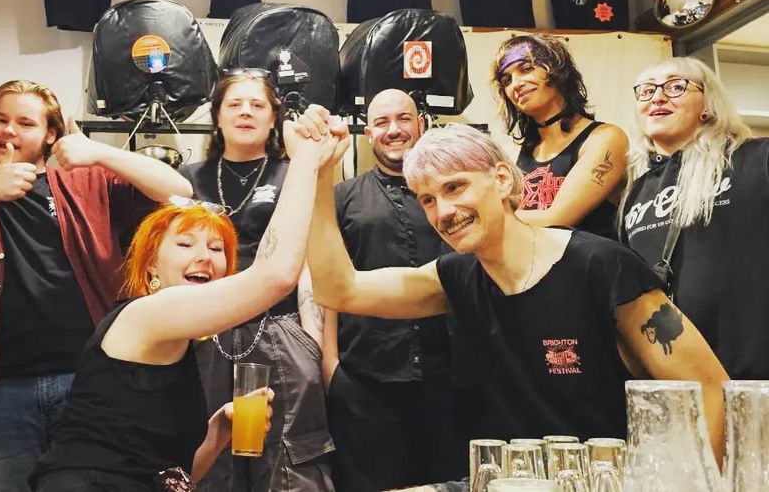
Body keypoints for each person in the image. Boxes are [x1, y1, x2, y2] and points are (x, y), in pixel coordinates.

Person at [298, 108, 729, 479]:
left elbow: (709, 390)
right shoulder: (455, 277)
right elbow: (339, 290)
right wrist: (319, 173)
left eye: (455, 187)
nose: (444, 212)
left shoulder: (600, 267)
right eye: (427, 200)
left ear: (503, 179)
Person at [31, 116, 342, 490]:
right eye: (184, 244)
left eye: (216, 248)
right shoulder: (146, 315)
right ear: (150, 267)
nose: (205, 257)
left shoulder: (181, 346)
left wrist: (217, 433)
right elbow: (274, 276)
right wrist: (305, 160)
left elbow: (177, 474)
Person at [0, 80, 194, 491]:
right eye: (0, 120)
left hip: (89, 382)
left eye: (25, 123)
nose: (9, 131)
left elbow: (179, 193)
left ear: (51, 134)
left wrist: (98, 152)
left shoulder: (88, 183)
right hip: (1, 388)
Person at [178, 70, 335, 491]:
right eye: (234, 104)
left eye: (257, 105)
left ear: (274, 121)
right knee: (208, 455)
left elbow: (315, 259)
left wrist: (318, 341)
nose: (245, 112)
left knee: (291, 457)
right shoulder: (187, 178)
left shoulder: (295, 173)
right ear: (216, 117)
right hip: (204, 330)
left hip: (280, 326)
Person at [326, 89, 463, 491]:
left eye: (403, 119)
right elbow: (328, 283)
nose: (394, 130)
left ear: (420, 124)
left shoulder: (452, 196)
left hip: (450, 379)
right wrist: (331, 368)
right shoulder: (343, 197)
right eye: (382, 122)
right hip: (367, 379)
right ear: (369, 134)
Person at [622, 57, 769, 380]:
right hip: (677, 382)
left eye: (676, 86)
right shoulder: (635, 192)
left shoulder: (757, 158)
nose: (657, 98)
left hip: (755, 379)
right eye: (646, 92)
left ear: (708, 105)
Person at [492, 34, 628, 237]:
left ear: (556, 70)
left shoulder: (605, 138)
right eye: (507, 80)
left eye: (526, 69)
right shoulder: (511, 153)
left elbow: (557, 220)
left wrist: (485, 217)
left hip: (590, 265)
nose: (516, 84)